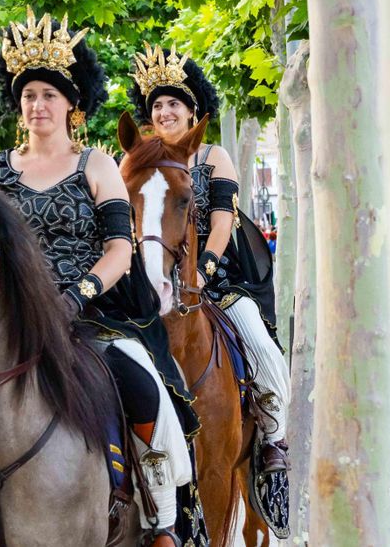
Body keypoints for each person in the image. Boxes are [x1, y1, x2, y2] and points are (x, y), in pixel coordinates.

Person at [0, 9, 205, 547]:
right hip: (9, 318)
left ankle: (161, 517)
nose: (38, 105)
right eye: (29, 95)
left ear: (71, 106)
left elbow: (119, 249)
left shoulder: (96, 165)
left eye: (49, 96)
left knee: (144, 387)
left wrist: (78, 293)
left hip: (90, 313)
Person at [129, 42, 290, 532]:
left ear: (193, 110)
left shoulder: (214, 155)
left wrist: (203, 270)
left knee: (262, 350)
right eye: (156, 104)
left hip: (217, 283)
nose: (164, 111)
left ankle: (272, 446)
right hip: (151, 283)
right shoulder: (137, 158)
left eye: (174, 103)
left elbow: (222, 221)